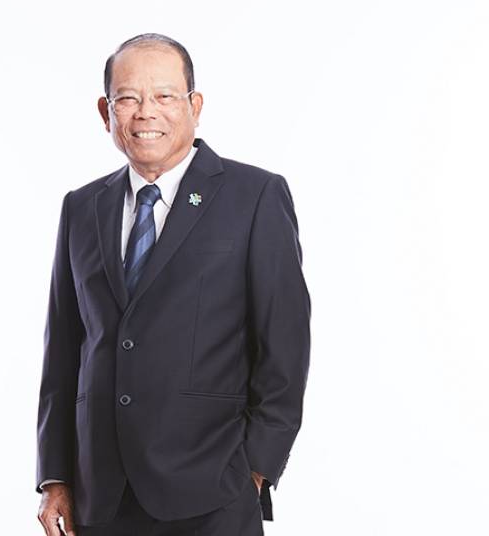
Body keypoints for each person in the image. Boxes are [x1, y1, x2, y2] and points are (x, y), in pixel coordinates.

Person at [35, 33, 311, 536]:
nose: (146, 112)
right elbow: (64, 352)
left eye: (164, 95)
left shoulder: (254, 196)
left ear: (194, 106)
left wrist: (255, 469)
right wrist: (56, 477)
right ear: (106, 112)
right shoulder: (81, 207)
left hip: (212, 492)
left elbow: (284, 345)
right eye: (128, 98)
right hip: (101, 496)